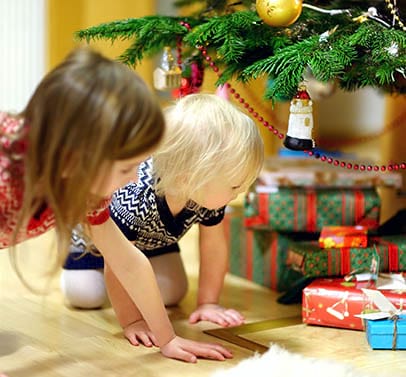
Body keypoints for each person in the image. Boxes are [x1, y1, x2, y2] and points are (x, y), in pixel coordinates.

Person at [0, 48, 232, 377]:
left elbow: (126, 261)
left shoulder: (87, 189)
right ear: (73, 159)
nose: (137, 178)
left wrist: (168, 338)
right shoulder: (6, 184)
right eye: (127, 167)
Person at [61, 93, 265, 346]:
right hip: (99, 245)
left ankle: (133, 285)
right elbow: (118, 262)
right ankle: (83, 269)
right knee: (86, 295)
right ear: (189, 179)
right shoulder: (137, 194)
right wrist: (132, 321)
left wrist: (208, 302)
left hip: (152, 244)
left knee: (173, 292)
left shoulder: (207, 195)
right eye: (235, 185)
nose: (241, 192)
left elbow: (213, 247)